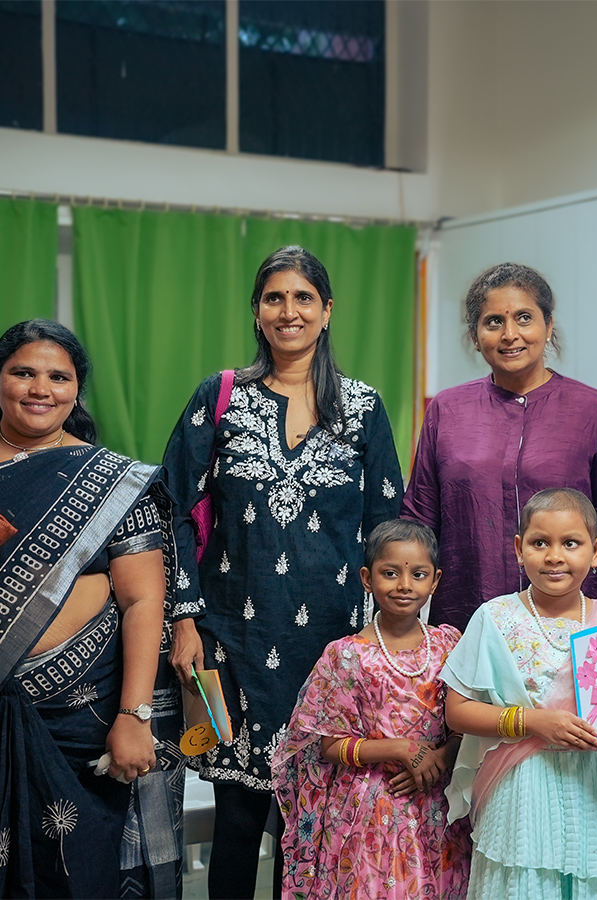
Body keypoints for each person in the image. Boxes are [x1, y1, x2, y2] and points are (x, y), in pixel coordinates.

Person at [163, 246, 404, 899]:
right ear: (256, 311)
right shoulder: (220, 398)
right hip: (229, 644)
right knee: (237, 825)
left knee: (315, 829)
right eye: (275, 298)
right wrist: (183, 618)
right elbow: (171, 511)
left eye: (303, 298)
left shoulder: (361, 407)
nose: (288, 311)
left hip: (328, 654)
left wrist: (385, 644)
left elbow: (389, 529)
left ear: (327, 312)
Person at [0, 319, 185, 898]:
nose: (40, 388)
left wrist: (134, 717)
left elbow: (141, 600)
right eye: (23, 372)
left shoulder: (112, 481)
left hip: (79, 717)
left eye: (58, 377)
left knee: (74, 870)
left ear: (76, 390)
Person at [402, 262, 597, 655]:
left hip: (574, 630)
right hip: (466, 627)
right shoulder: (447, 410)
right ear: (474, 335)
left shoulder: (592, 410)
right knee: (474, 716)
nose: (510, 335)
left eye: (524, 318)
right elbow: (417, 523)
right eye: (493, 322)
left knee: (570, 718)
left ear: (549, 325)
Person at [441, 488, 597, 899]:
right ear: (518, 548)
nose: (554, 556)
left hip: (594, 789)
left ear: (596, 551)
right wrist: (535, 722)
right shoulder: (495, 618)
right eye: (539, 542)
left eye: (571, 543)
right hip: (521, 792)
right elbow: (457, 711)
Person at [272, 518, 471, 899]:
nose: (403, 585)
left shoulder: (450, 644)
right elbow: (329, 746)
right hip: (370, 812)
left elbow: (465, 724)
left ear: (435, 581)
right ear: (367, 578)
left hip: (436, 806)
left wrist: (441, 758)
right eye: (390, 573)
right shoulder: (346, 655)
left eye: (418, 574)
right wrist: (402, 749)